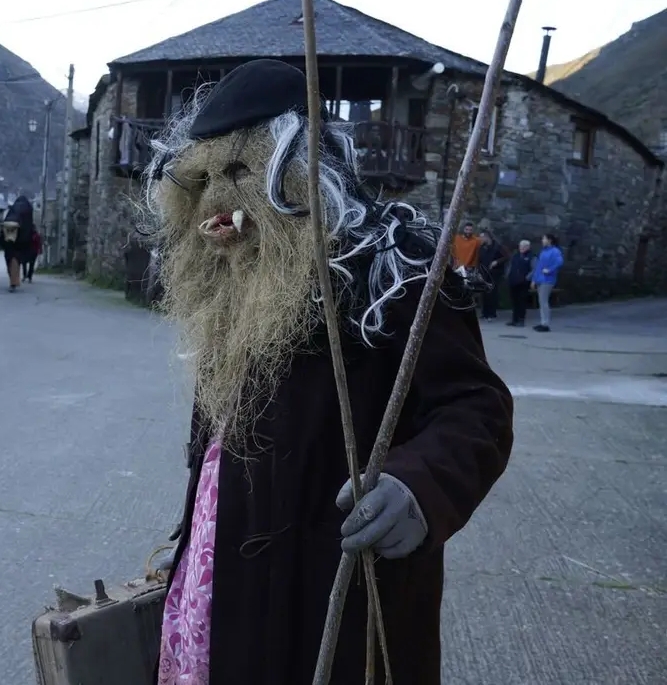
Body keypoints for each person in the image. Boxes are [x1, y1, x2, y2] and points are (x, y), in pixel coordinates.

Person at [143, 59, 513, 685]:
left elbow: (476, 408)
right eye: (201, 179)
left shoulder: (395, 270)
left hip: (330, 592)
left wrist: (418, 485)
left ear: (298, 170)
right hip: (217, 580)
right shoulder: (232, 279)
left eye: (238, 170)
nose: (214, 201)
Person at [0, 195, 34, 292]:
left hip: (8, 242)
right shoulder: (28, 209)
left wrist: (2, 242)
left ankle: (12, 281)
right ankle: (14, 281)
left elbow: (2, 233)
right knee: (16, 260)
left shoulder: (12, 211)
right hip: (20, 241)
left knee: (9, 260)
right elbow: (29, 228)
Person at [531, 233, 563, 332]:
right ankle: (543, 322)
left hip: (547, 279)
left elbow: (559, 262)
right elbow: (538, 267)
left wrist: (550, 270)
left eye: (544, 239)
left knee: (544, 301)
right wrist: (534, 280)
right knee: (542, 301)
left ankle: (545, 323)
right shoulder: (543, 251)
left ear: (549, 240)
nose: (542, 240)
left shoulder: (555, 251)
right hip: (541, 279)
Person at [476, 230, 507, 321]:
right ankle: (485, 313)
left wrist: (496, 262)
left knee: (492, 293)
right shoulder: (482, 247)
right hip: (484, 273)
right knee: (484, 293)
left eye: (482, 237)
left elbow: (506, 257)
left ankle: (491, 313)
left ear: (487, 237)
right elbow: (479, 261)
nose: (481, 239)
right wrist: (479, 272)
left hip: (494, 273)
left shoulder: (497, 246)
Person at [506, 239, 534, 327]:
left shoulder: (531, 256)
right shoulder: (515, 255)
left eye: (524, 246)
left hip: (523, 282)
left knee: (522, 301)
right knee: (514, 301)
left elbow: (534, 269)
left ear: (528, 247)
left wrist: (527, 278)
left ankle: (521, 320)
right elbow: (510, 266)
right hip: (513, 281)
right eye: (520, 246)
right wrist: (507, 275)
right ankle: (514, 319)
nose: (521, 248)